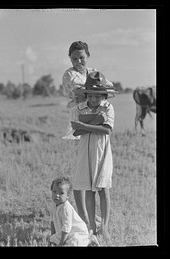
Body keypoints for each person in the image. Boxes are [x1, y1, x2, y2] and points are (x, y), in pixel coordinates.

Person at [70, 71, 117, 244]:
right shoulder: (79, 108)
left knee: (104, 188)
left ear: (104, 95)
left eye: (98, 96)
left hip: (102, 151)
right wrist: (96, 122)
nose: (95, 99)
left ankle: (104, 227)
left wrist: (84, 125)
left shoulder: (108, 108)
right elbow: (76, 130)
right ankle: (92, 226)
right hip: (85, 152)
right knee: (89, 188)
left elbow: (107, 130)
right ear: (86, 94)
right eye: (91, 95)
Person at [62, 40, 113, 140]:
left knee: (98, 142)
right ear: (70, 59)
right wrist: (98, 88)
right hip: (80, 112)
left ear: (88, 55)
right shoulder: (69, 74)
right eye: (74, 59)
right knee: (82, 145)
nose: (78, 61)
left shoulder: (93, 72)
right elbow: (81, 91)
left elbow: (109, 86)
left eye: (82, 58)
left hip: (96, 112)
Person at [49, 176, 92, 246]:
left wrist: (61, 244)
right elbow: (52, 221)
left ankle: (89, 239)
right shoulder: (53, 204)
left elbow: (66, 228)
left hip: (76, 232)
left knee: (73, 244)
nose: (57, 195)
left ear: (67, 196)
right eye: (54, 191)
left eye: (61, 193)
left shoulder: (66, 208)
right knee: (52, 242)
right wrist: (53, 238)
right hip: (63, 232)